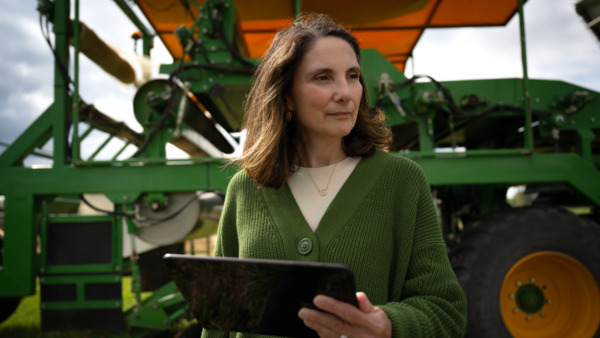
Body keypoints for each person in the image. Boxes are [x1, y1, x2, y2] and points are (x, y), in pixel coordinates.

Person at [202, 13, 467, 338]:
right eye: (323, 78)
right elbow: (219, 319)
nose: (345, 92)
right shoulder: (245, 189)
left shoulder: (402, 181)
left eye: (352, 76)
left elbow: (446, 310)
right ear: (286, 95)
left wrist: (387, 324)